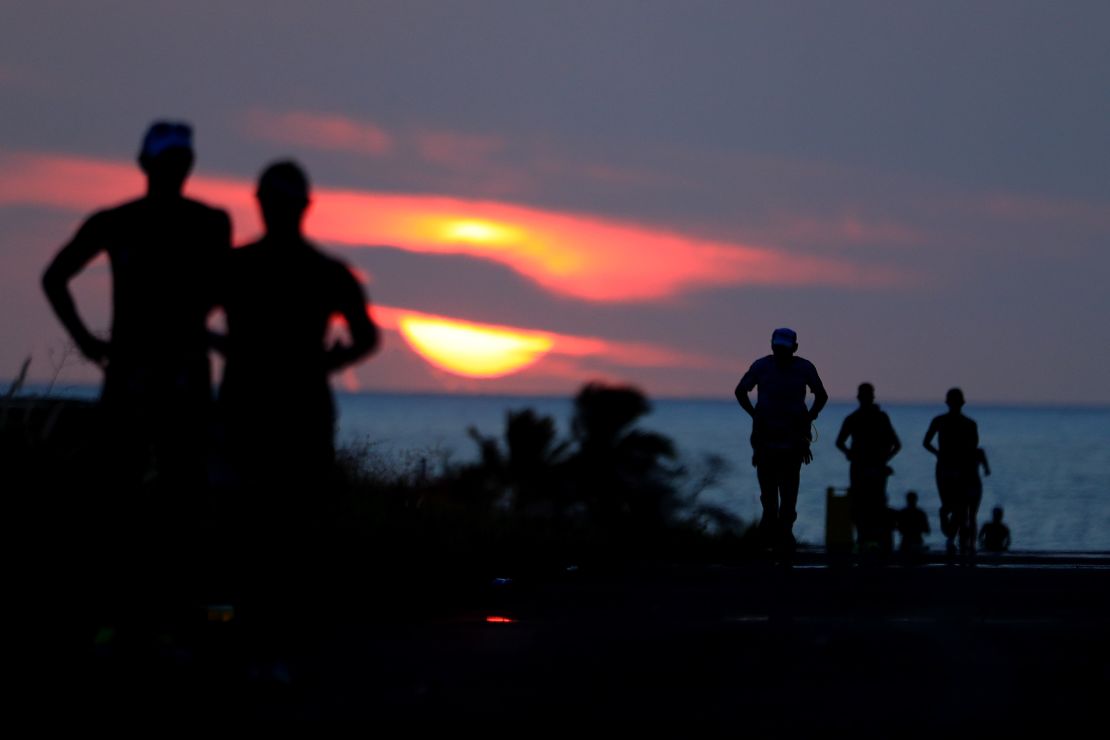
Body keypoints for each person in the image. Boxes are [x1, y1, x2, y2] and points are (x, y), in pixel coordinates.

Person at [42, 121, 232, 634]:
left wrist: (90, 339)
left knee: (176, 494)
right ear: (150, 164)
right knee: (131, 494)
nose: (175, 169)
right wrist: (86, 340)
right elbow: (54, 277)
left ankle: (163, 614)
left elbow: (222, 290)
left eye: (179, 160)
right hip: (145, 376)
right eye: (169, 160)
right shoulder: (150, 222)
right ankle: (134, 614)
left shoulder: (201, 223)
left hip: (166, 375)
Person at [214, 159, 379, 502]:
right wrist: (329, 363)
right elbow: (367, 338)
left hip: (262, 408)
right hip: (283, 410)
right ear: (306, 205)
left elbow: (185, 318)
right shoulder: (327, 272)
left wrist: (230, 348)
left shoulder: (236, 266)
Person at [735, 327, 828, 550]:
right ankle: (772, 538)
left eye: (784, 349)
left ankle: (782, 537)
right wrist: (754, 414)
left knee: (787, 493)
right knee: (770, 496)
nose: (781, 352)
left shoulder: (803, 367)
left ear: (794, 348)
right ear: (772, 346)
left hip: (792, 439)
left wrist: (809, 417)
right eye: (778, 348)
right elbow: (741, 391)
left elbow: (821, 396)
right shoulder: (762, 366)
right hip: (766, 439)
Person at [835, 383, 902, 552]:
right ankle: (865, 539)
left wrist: (882, 460)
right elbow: (840, 442)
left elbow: (896, 444)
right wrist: (851, 454)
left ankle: (870, 540)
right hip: (864, 468)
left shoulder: (877, 418)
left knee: (872, 505)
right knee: (864, 505)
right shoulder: (855, 418)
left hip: (870, 468)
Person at [923, 388, 990, 555]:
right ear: (949, 403)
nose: (955, 405)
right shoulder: (940, 421)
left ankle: (958, 539)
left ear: (961, 403)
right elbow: (926, 442)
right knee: (949, 506)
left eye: (956, 402)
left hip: (960, 469)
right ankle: (951, 533)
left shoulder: (969, 424)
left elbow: (973, 447)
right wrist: (938, 453)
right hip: (945, 468)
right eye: (953, 402)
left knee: (960, 507)